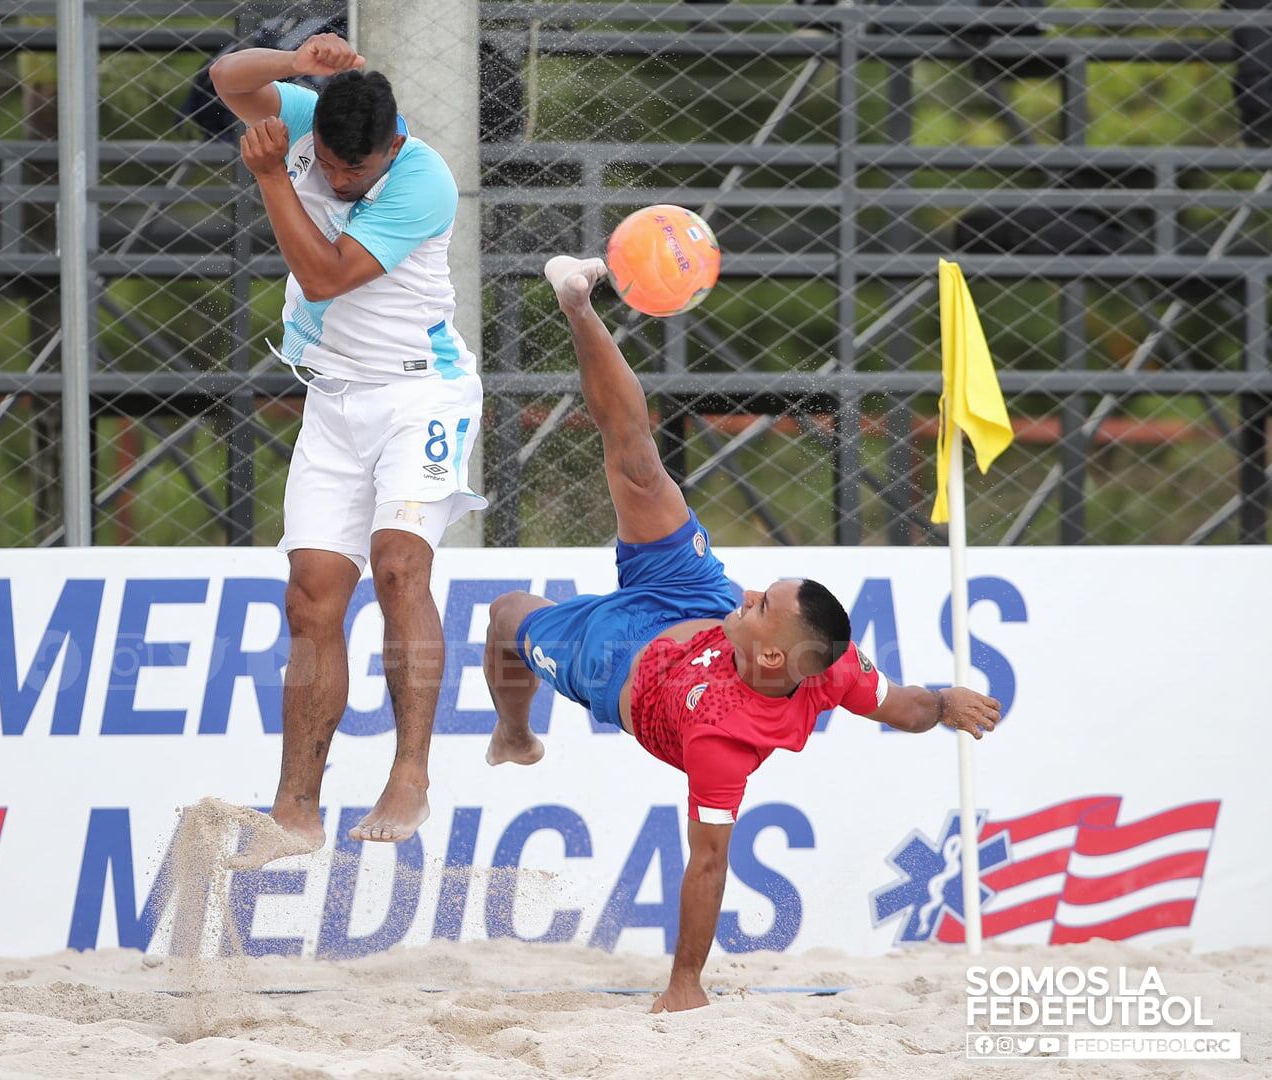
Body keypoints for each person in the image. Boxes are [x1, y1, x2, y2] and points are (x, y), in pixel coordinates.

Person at [483, 255, 1003, 1013]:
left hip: (620, 658)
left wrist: (685, 983)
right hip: (689, 600)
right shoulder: (830, 665)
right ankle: (578, 307)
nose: (754, 591)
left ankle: (514, 734)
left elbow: (707, 864)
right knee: (637, 463)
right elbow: (906, 709)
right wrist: (947, 698)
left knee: (504, 614)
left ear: (767, 653)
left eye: (764, 604)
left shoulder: (722, 742)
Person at [210, 35, 486, 849]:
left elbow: (327, 275)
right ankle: (296, 808)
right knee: (311, 599)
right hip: (333, 397)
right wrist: (294, 60)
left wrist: (269, 181)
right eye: (324, 163)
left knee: (400, 568)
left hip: (419, 391)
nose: (334, 179)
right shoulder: (309, 115)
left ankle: (410, 779)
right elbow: (227, 77)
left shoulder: (423, 179)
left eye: (350, 174)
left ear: (389, 147)